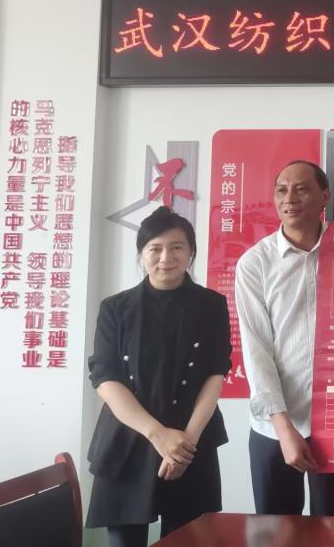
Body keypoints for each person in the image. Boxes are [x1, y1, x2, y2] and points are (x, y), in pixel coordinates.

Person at [86, 207, 231, 547]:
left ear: (191, 252)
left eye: (177, 247)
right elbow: (105, 377)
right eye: (155, 248)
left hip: (190, 440)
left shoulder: (212, 305)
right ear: (142, 253)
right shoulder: (115, 308)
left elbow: (215, 373)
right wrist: (158, 435)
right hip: (128, 438)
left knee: (188, 540)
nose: (166, 257)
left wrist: (184, 445)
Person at [234, 160, 334, 516]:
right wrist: (282, 427)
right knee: (275, 532)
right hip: (274, 428)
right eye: (281, 190)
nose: (289, 198)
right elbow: (256, 351)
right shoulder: (255, 264)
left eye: (301, 189)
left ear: (324, 196)